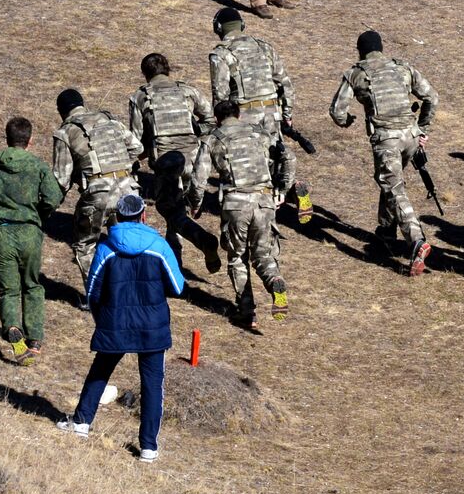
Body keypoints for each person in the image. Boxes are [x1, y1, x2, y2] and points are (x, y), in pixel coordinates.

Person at [57, 194, 183, 462]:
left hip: (115, 323)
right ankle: (148, 446)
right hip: (153, 326)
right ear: (143, 216)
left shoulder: (106, 247)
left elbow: (92, 291)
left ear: (117, 216)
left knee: (100, 371)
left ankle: (81, 422)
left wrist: (102, 318)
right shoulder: (158, 246)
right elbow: (178, 286)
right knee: (152, 384)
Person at [329, 30, 440, 276]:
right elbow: (432, 97)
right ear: (381, 47)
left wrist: (348, 121)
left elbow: (337, 111)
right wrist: (422, 128)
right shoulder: (402, 67)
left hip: (386, 139)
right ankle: (386, 231)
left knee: (394, 188)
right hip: (410, 137)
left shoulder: (356, 73)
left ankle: (416, 241)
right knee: (390, 182)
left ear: (360, 51)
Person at [188, 100, 290, 329]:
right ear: (239, 114)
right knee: (263, 255)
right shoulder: (261, 133)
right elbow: (285, 157)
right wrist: (282, 188)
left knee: (237, 257)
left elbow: (199, 179)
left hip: (236, 204)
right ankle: (275, 280)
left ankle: (247, 311)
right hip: (264, 201)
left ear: (217, 118)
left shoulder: (213, 138)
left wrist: (195, 204)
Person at [208, 8, 310, 223]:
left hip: (243, 115)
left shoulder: (221, 54)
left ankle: (262, 208)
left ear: (218, 28)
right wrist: (287, 114)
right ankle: (291, 189)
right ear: (242, 24)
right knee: (274, 154)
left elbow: (220, 93)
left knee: (252, 163)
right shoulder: (264, 46)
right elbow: (285, 83)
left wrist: (220, 121)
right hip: (272, 112)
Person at [0, 117, 64, 364]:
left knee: (8, 289)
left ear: (6, 137)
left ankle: (13, 327)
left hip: (0, 232)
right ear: (30, 139)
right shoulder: (37, 166)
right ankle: (34, 340)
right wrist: (39, 214)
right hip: (29, 232)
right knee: (32, 285)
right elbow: (53, 197)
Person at [128, 53, 219, 272]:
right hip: (193, 161)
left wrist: (137, 159)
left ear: (145, 74)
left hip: (167, 163)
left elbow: (135, 140)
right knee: (178, 209)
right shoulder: (187, 90)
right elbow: (210, 119)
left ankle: (203, 240)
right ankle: (174, 266)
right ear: (168, 69)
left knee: (169, 210)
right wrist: (196, 134)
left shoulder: (140, 97)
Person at [52, 88, 143, 286]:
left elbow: (61, 179)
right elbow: (137, 147)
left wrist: (50, 205)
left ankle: (97, 293)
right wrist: (122, 165)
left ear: (61, 111)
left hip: (98, 193)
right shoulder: (109, 120)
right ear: (82, 104)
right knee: (130, 241)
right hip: (129, 189)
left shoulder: (64, 132)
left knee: (85, 245)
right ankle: (133, 286)